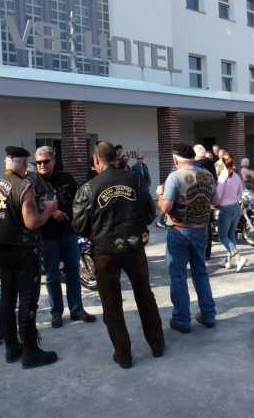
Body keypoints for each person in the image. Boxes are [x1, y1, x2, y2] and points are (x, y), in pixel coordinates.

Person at [72, 141, 163, 369]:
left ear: (96, 160)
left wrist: (94, 232)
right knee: (145, 295)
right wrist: (138, 228)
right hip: (134, 247)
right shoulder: (136, 179)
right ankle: (157, 345)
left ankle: (123, 355)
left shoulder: (88, 188)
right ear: (115, 157)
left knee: (111, 304)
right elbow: (150, 213)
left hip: (104, 253)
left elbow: (79, 225)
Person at [0, 146, 58, 369]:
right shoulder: (24, 186)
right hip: (23, 251)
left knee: (7, 298)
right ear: (24, 164)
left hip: (0, 250)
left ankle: (11, 347)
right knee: (27, 300)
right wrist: (48, 210)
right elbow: (32, 222)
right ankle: (30, 352)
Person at [157, 143, 218, 333]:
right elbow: (216, 201)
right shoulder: (207, 175)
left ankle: (182, 319)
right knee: (200, 273)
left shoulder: (175, 177)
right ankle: (208, 314)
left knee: (178, 276)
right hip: (201, 230)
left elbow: (165, 208)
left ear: (175, 159)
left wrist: (160, 194)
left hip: (180, 230)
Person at [34, 146, 95, 328]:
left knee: (73, 273)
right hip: (47, 236)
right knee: (52, 276)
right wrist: (51, 213)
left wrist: (68, 216)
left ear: (54, 160)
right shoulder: (33, 182)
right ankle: (56, 313)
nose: (42, 165)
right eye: (38, 162)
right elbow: (30, 208)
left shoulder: (66, 179)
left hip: (68, 233)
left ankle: (77, 310)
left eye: (46, 161)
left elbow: (78, 203)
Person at [217, 152, 246, 271]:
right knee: (231, 235)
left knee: (223, 237)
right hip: (235, 207)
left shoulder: (222, 177)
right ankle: (229, 261)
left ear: (222, 163)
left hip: (226, 209)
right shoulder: (236, 176)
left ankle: (238, 258)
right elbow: (241, 192)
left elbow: (218, 196)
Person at [194, 144, 217, 261]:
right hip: (209, 199)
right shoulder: (210, 163)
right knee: (207, 227)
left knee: (197, 227)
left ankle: (200, 252)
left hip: (197, 200)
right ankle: (207, 252)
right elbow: (215, 181)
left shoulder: (195, 165)